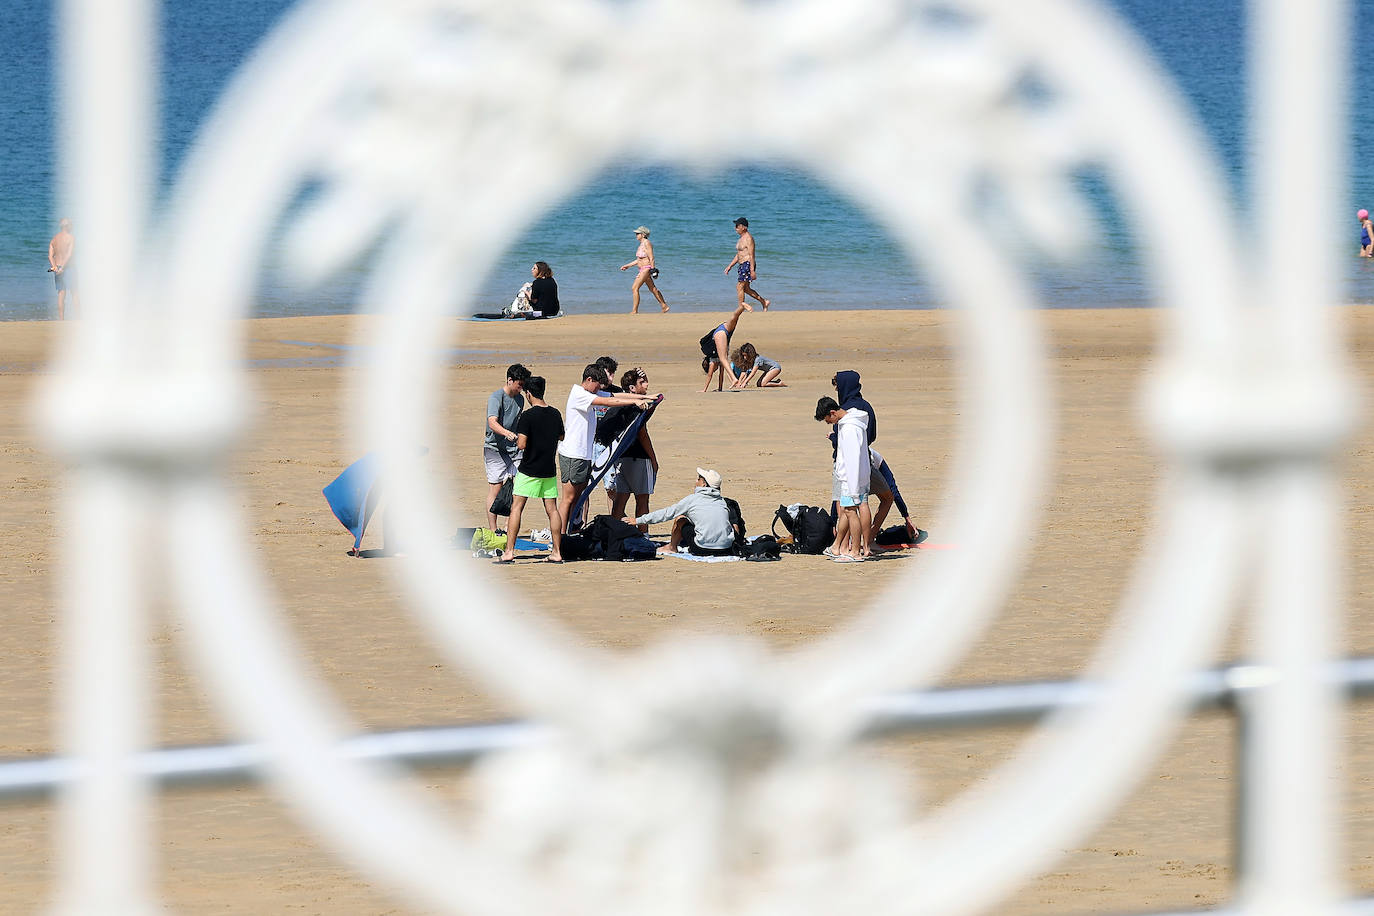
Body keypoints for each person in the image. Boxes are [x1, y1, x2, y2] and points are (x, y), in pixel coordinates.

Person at [558, 364, 657, 532]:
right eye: (597, 385)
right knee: (568, 499)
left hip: (584, 455)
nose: (598, 389)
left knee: (577, 499)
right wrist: (635, 400)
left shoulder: (591, 392)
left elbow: (614, 394)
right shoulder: (580, 394)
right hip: (573, 455)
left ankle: (571, 532)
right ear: (589, 380)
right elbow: (608, 401)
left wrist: (645, 398)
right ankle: (558, 538)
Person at [496, 376, 565, 564]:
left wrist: (519, 439)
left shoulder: (527, 416)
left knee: (516, 508)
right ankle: (557, 552)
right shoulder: (555, 413)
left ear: (528, 394)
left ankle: (509, 551)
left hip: (528, 469)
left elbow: (522, 444)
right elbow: (561, 436)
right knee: (552, 510)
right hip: (548, 469)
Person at [599, 368, 660, 532]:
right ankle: (643, 535)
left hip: (621, 459)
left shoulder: (619, 406)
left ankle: (614, 534)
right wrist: (653, 459)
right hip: (640, 458)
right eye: (642, 382)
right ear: (632, 388)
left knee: (620, 501)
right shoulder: (637, 407)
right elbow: (642, 434)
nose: (646, 385)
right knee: (642, 500)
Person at [626, 467, 737, 555]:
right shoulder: (722, 501)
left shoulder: (692, 500)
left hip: (702, 548)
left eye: (698, 479)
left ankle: (671, 547)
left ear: (704, 484)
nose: (696, 481)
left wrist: (638, 520)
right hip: (726, 548)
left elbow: (667, 513)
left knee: (680, 519)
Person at [816, 396, 872, 562]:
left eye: (828, 420)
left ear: (833, 413)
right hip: (857, 477)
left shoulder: (849, 429)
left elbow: (852, 458)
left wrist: (853, 487)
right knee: (847, 512)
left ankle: (854, 551)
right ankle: (839, 547)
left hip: (851, 478)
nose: (830, 424)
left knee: (850, 511)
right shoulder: (854, 422)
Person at [484, 364, 530, 531]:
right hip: (494, 449)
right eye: (519, 384)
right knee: (495, 489)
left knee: (518, 487)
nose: (521, 388)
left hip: (514, 450)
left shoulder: (520, 399)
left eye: (523, 385)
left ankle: (508, 526)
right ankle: (493, 530)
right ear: (510, 380)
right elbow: (492, 422)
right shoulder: (496, 397)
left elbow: (518, 423)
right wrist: (506, 433)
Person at [698, 303, 750, 391]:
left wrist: (704, 390)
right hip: (723, 329)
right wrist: (720, 389)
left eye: (714, 370)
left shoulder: (713, 361)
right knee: (734, 318)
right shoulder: (718, 361)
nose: (714, 370)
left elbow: (709, 376)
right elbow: (721, 375)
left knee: (723, 359)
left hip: (720, 334)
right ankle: (742, 307)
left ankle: (734, 379)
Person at [619, 226, 669, 314]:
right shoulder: (641, 245)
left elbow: (651, 257)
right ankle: (664, 306)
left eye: (637, 234)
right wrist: (627, 266)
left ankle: (634, 310)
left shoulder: (647, 243)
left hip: (646, 269)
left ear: (642, 234)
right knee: (652, 288)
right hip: (641, 269)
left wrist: (653, 270)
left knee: (634, 288)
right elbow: (639, 260)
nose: (636, 235)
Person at [723, 217, 770, 311]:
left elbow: (752, 255)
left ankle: (742, 306)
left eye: (737, 226)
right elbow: (738, 255)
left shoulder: (749, 238)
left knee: (739, 286)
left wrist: (752, 270)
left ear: (743, 227)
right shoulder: (741, 239)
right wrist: (730, 266)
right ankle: (764, 301)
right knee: (746, 289)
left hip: (748, 264)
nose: (735, 228)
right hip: (742, 265)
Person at [48, 218, 77, 320]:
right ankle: (79, 319)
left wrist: (55, 267)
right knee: (74, 292)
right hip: (68, 268)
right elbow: (69, 255)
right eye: (71, 225)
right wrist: (63, 267)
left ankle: (61, 319)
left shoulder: (54, 239)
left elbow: (50, 256)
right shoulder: (71, 238)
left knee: (61, 293)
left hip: (57, 268)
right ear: (67, 226)